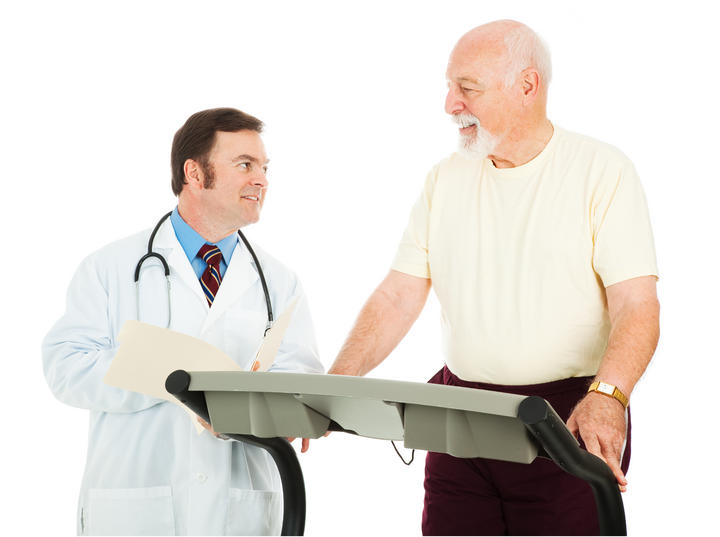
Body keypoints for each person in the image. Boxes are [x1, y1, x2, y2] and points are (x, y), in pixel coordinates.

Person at [329, 20, 660, 536]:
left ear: (527, 85)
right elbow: (398, 295)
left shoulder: (602, 170)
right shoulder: (446, 178)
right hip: (461, 417)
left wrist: (609, 395)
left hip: (565, 419)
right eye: (449, 86)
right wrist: (335, 385)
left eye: (468, 87)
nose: (450, 104)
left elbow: (636, 305)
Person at [42, 108, 323, 536]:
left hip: (240, 511)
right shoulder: (110, 267)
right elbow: (66, 368)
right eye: (245, 164)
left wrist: (260, 410)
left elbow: (300, 379)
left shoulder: (279, 281)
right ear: (194, 172)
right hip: (136, 506)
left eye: (264, 168)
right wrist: (170, 378)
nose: (261, 180)